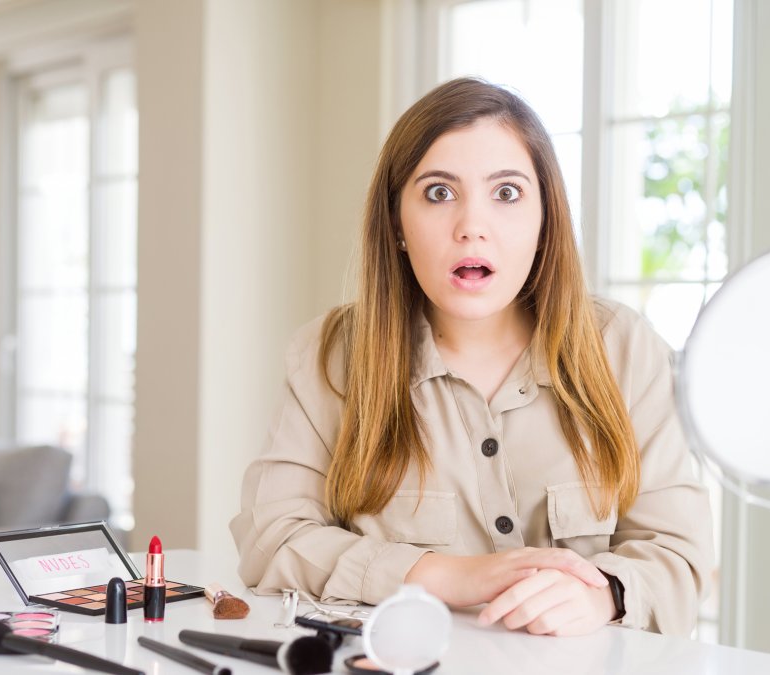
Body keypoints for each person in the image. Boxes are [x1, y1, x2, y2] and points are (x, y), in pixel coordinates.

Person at [230, 77, 712, 637]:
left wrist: (605, 594)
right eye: (439, 192)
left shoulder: (621, 346)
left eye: (506, 193)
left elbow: (680, 552)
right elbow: (272, 538)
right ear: (396, 224)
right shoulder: (332, 355)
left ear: (544, 220)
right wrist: (446, 576)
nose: (472, 228)